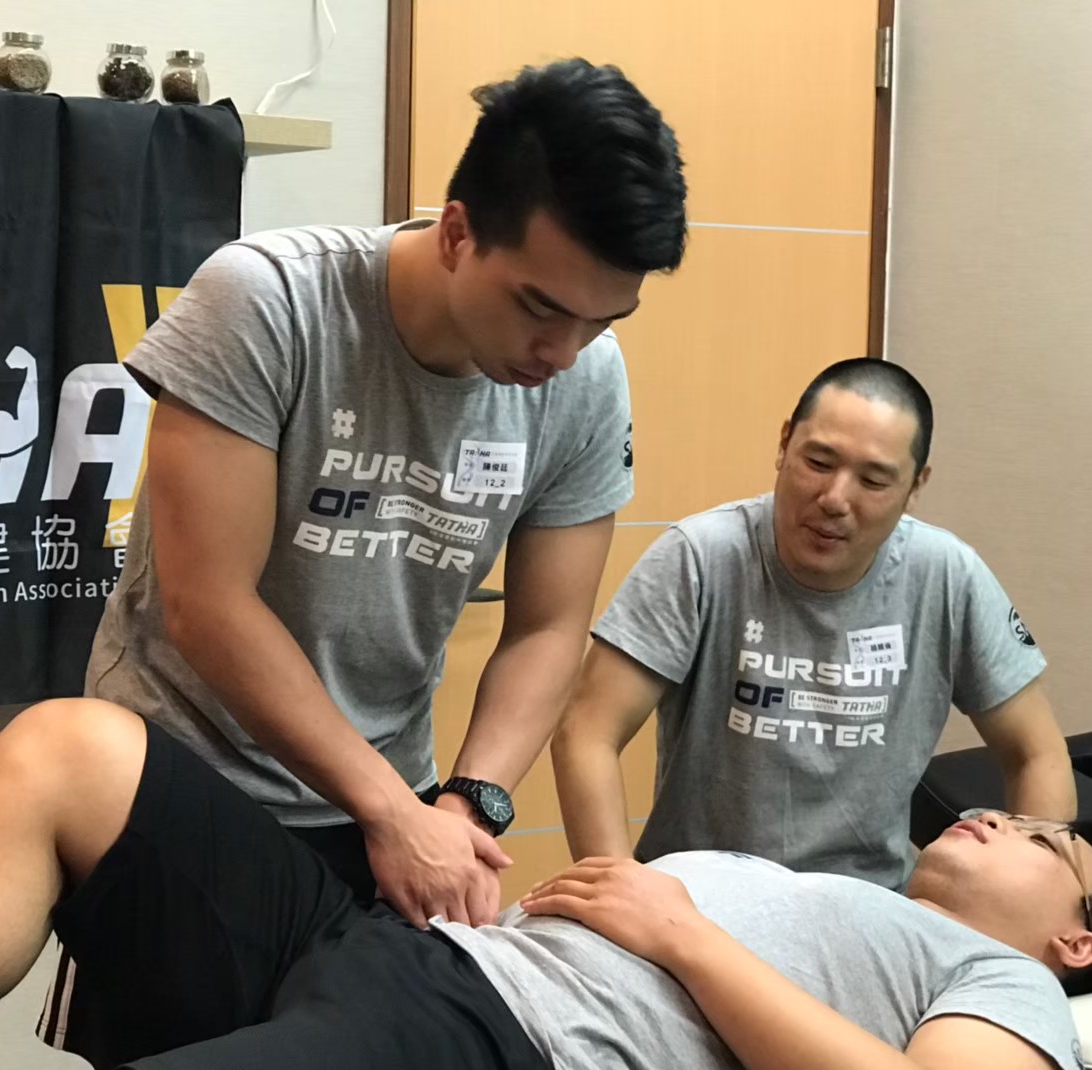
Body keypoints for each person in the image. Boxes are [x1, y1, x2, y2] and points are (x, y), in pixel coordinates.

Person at [0, 698, 1092, 1070]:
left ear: (1075, 940)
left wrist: (680, 934)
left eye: (1043, 836)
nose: (996, 811)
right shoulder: (840, 895)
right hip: (415, 958)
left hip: (504, 1049)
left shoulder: (1003, 987)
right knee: (73, 751)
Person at [80, 56, 687, 935]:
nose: (564, 351)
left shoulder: (587, 378)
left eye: (603, 321)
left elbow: (549, 628)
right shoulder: (267, 301)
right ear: (457, 233)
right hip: (182, 774)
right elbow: (207, 604)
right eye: (540, 308)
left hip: (392, 800)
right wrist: (393, 812)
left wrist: (467, 805)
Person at [552, 357, 1077, 887]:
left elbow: (1037, 754)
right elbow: (587, 732)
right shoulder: (700, 558)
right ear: (784, 444)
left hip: (873, 900)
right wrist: (624, 893)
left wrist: (1027, 902)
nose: (835, 499)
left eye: (873, 480)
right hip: (701, 895)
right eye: (819, 462)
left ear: (916, 486)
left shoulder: (947, 575)